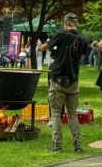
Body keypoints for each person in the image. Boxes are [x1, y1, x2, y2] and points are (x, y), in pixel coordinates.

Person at [40, 13, 87, 152]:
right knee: (72, 115)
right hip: (73, 80)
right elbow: (80, 58)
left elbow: (44, 48)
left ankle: (57, 146)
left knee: (55, 114)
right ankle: (78, 146)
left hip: (58, 79)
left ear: (65, 23)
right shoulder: (83, 39)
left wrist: (41, 44)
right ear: (76, 23)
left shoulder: (62, 35)